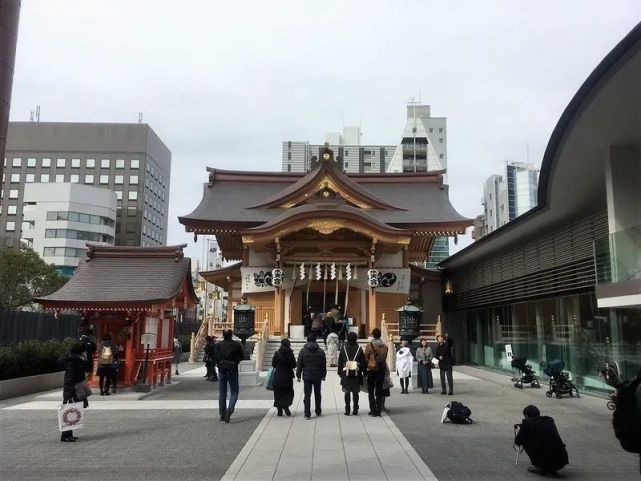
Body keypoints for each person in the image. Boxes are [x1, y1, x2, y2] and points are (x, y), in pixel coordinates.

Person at [514, 405, 569, 475]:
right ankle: (549, 467)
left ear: (526, 416)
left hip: (546, 461)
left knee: (525, 440)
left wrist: (520, 430)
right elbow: (538, 426)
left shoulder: (526, 422)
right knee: (546, 440)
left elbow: (518, 440)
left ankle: (541, 466)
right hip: (561, 460)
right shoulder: (549, 420)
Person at [58, 342, 92, 442]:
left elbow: (88, 368)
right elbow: (69, 379)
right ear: (81, 351)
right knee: (69, 411)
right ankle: (65, 435)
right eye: (84, 351)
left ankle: (69, 434)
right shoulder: (72, 361)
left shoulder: (78, 360)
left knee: (73, 411)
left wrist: (87, 357)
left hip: (76, 389)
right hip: (72, 391)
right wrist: (69, 396)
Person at [215, 329, 245, 423]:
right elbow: (241, 356)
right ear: (231, 335)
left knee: (222, 393)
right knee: (234, 392)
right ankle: (229, 409)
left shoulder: (218, 345)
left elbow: (215, 357)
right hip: (233, 370)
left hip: (222, 370)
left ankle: (222, 414)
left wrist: (219, 364)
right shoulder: (236, 345)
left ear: (223, 335)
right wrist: (235, 362)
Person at [296, 334, 327, 419]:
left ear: (307, 340)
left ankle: (307, 414)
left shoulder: (303, 351)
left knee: (307, 395)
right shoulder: (321, 351)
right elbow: (323, 365)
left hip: (307, 376)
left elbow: (300, 364)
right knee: (317, 394)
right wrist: (324, 375)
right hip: (317, 376)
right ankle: (318, 410)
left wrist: (298, 375)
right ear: (315, 340)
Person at [337, 331, 366, 415]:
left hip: (346, 374)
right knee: (355, 393)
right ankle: (355, 409)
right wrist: (364, 371)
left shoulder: (343, 348)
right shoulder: (359, 349)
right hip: (356, 374)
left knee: (347, 392)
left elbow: (340, 362)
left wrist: (340, 373)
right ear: (356, 339)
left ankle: (347, 409)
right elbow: (363, 363)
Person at [364, 328, 389, 417]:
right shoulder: (385, 346)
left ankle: (373, 410)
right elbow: (384, 358)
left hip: (372, 370)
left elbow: (366, 358)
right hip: (381, 370)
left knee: (371, 391)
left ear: (373, 335)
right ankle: (379, 410)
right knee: (379, 391)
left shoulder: (369, 346)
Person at [272, 338, 297, 416]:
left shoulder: (277, 353)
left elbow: (273, 364)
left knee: (278, 393)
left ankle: (279, 409)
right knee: (288, 392)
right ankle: (286, 406)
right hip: (287, 376)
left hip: (278, 375)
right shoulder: (290, 354)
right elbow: (294, 365)